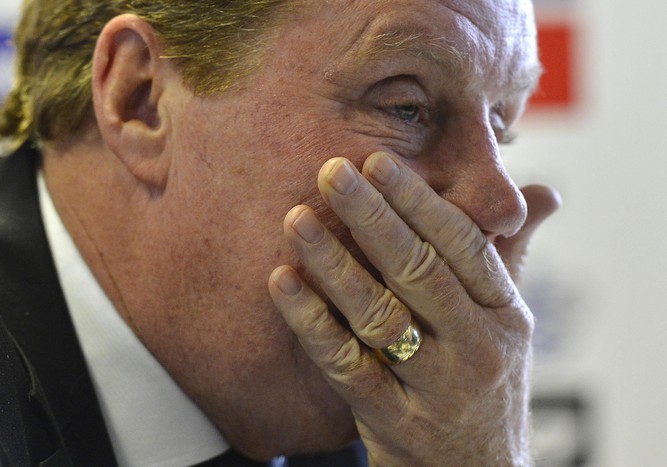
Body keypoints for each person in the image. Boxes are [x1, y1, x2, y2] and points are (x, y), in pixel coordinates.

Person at [0, 0, 561, 465]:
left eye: (500, 125)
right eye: (405, 108)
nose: (501, 206)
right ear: (139, 99)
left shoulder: (391, 424)